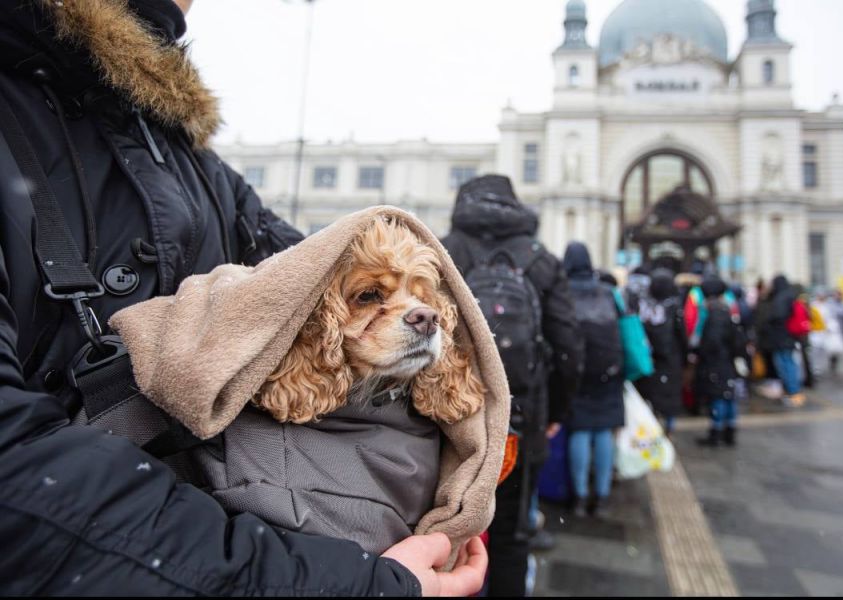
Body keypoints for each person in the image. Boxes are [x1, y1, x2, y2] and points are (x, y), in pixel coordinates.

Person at [0, 1, 485, 595]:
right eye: (370, 298)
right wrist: (352, 585)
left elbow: (315, 270)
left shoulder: (192, 162)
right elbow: (17, 480)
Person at [442, 175, 582, 597]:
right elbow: (568, 346)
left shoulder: (442, 251)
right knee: (511, 534)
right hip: (520, 421)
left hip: (449, 419)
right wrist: (556, 412)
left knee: (439, 528)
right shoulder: (541, 260)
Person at [562, 242, 625, 518]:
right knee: (604, 431)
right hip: (609, 372)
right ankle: (601, 497)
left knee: (580, 430)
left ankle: (579, 496)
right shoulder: (609, 292)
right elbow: (626, 327)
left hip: (576, 371)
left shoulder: (563, 292)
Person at [694, 276, 749, 447]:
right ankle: (729, 430)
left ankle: (716, 432)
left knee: (718, 396)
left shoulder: (715, 314)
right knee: (728, 395)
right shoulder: (727, 310)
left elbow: (712, 341)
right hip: (727, 361)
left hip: (717, 362)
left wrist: (702, 353)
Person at [636, 268, 688, 436]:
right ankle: (668, 431)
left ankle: (651, 430)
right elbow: (682, 335)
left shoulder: (643, 305)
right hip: (671, 359)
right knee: (670, 397)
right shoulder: (675, 306)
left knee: (649, 396)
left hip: (648, 358)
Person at [768, 275, 806, 407]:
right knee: (790, 363)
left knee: (785, 364)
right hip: (790, 337)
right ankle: (793, 391)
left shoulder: (781, 298)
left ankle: (793, 392)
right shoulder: (791, 295)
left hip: (782, 338)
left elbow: (777, 317)